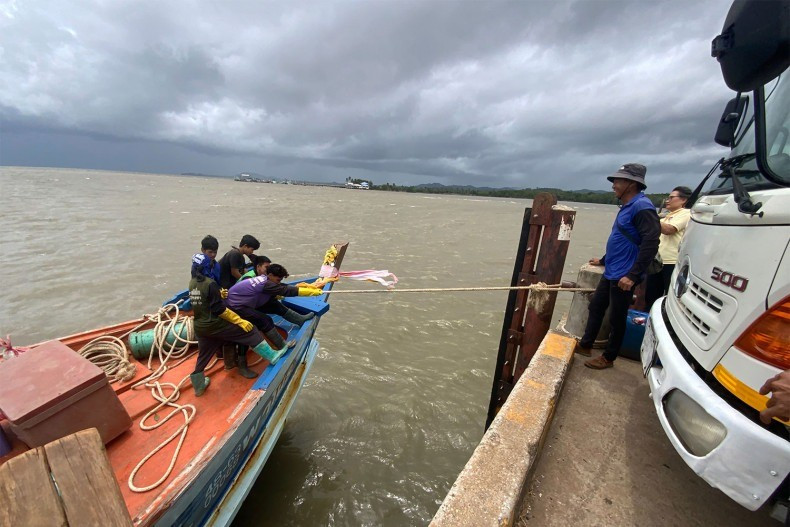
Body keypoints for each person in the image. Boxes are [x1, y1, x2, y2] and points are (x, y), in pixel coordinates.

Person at [575, 163, 661, 369]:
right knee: (596, 305)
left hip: (624, 274)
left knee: (617, 317)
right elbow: (622, 238)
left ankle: (609, 357)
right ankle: (586, 344)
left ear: (632, 184)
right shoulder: (628, 206)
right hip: (613, 269)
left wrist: (632, 275)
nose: (614, 185)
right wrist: (604, 261)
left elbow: (651, 242)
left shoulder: (642, 207)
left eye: (618, 181)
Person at [188, 253, 288, 395]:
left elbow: (204, 301)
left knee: (204, 354)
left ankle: (198, 385)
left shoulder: (192, 283)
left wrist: (219, 294)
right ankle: (273, 356)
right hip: (214, 324)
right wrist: (240, 321)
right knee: (250, 329)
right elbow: (219, 309)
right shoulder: (210, 283)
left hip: (200, 326)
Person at [226, 263, 323, 351]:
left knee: (274, 304)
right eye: (278, 280)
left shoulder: (265, 279)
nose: (278, 282)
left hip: (248, 302)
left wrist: (308, 288)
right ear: (270, 275)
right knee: (265, 320)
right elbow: (286, 291)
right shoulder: (264, 284)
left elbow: (282, 287)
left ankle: (300, 320)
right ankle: (282, 345)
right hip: (236, 307)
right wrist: (310, 292)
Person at [645, 186, 692, 309]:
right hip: (657, 261)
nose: (668, 200)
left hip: (671, 262)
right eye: (668, 198)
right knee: (651, 296)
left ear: (683, 200)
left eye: (671, 197)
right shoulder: (666, 216)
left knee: (670, 297)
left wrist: (651, 218)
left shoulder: (686, 214)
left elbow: (669, 229)